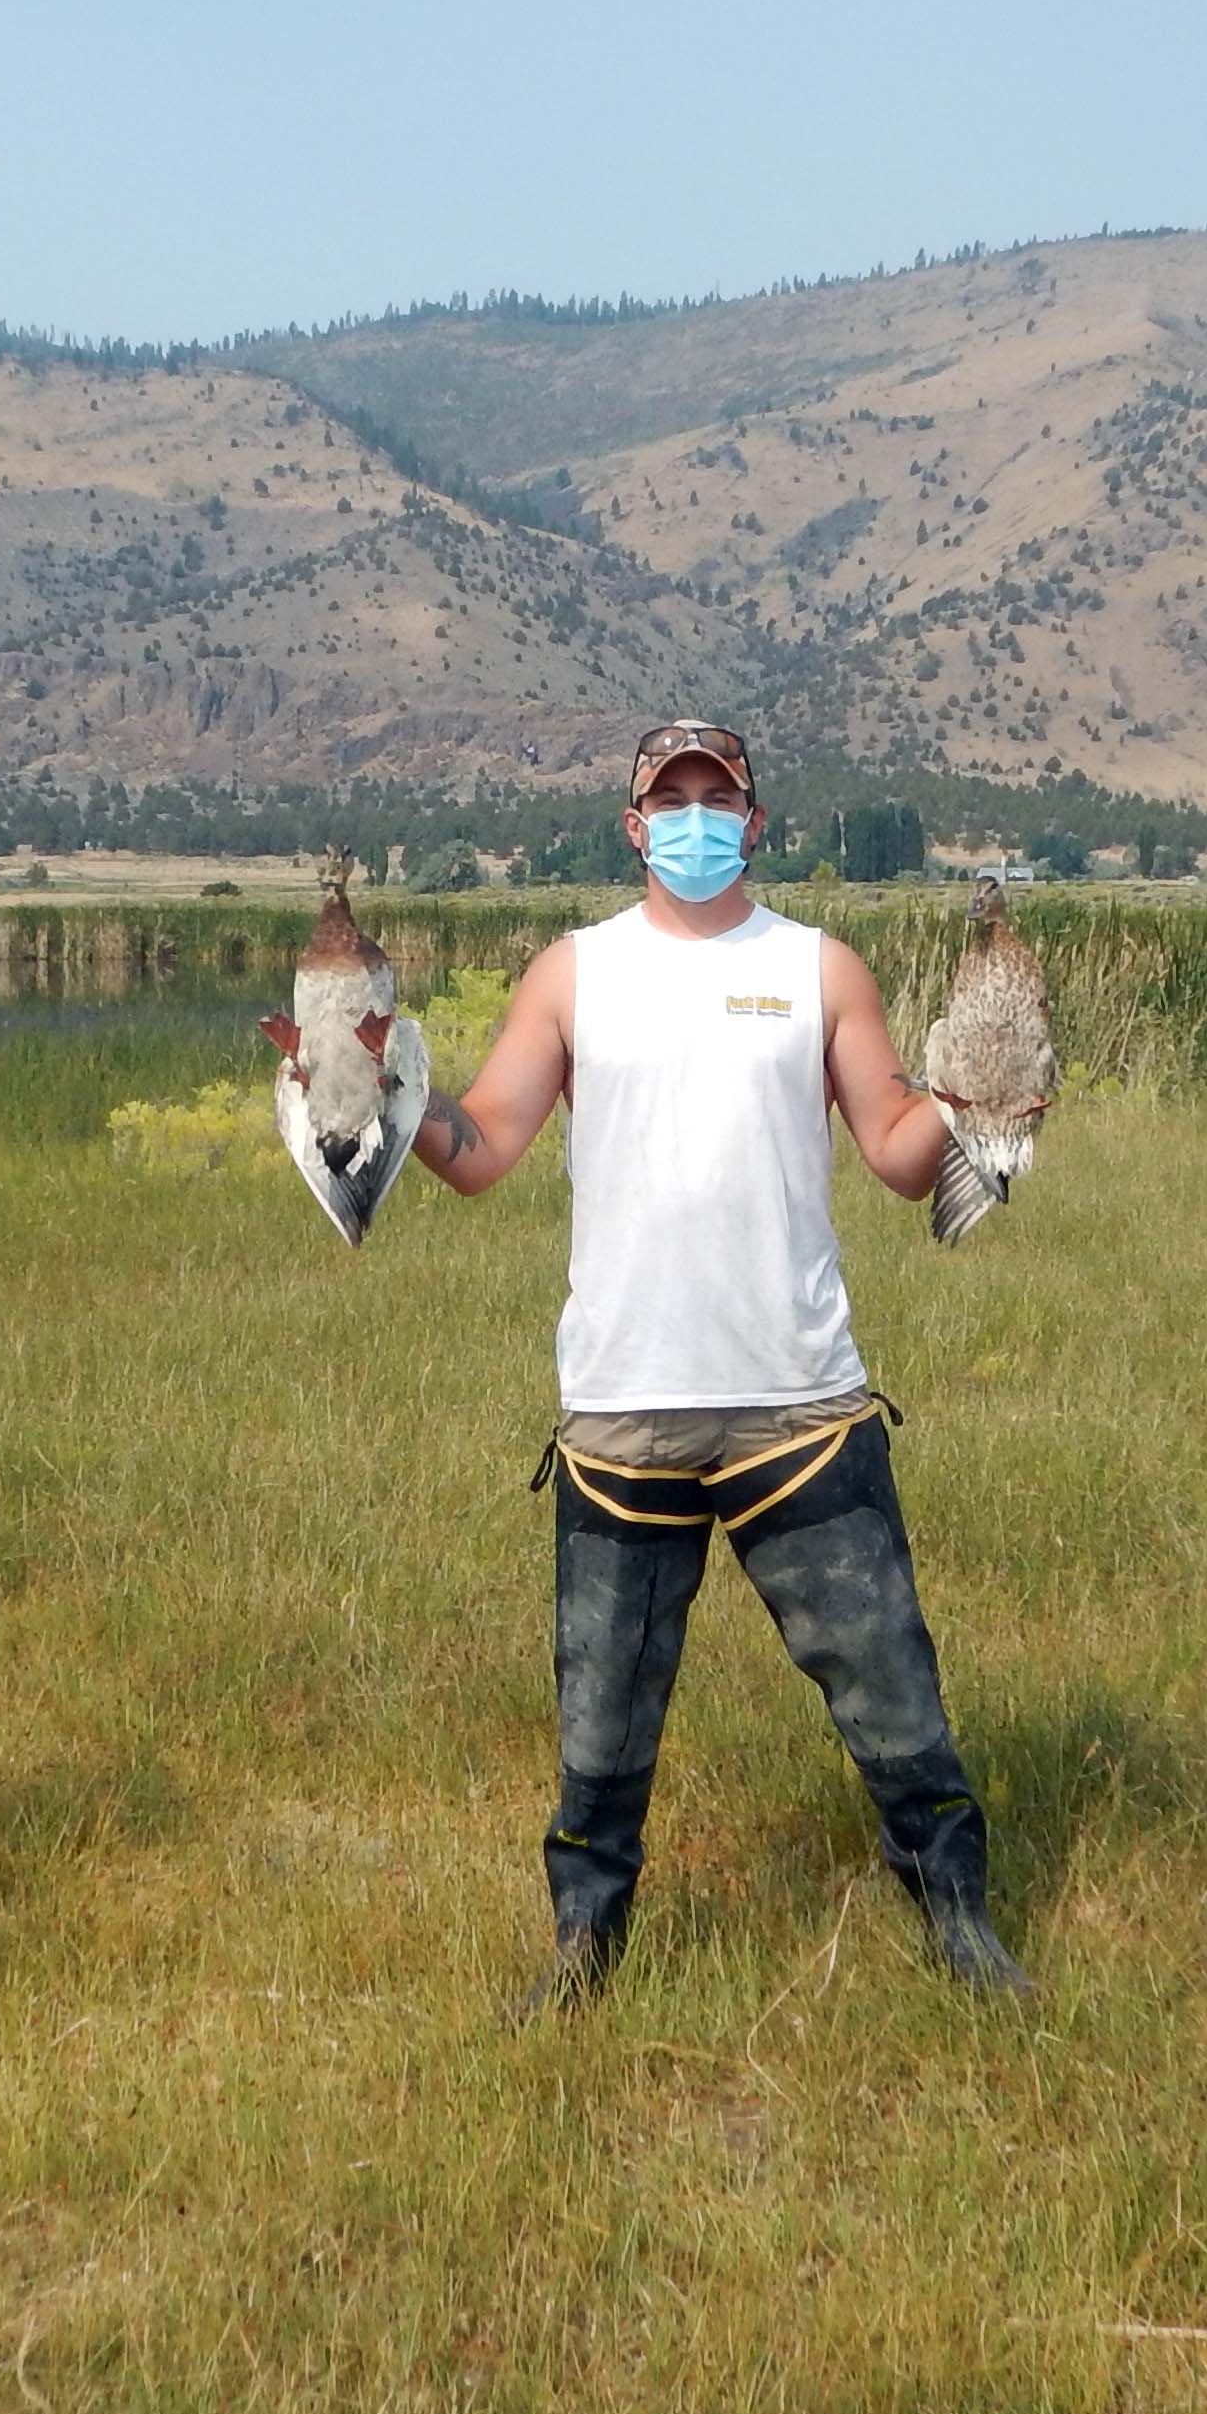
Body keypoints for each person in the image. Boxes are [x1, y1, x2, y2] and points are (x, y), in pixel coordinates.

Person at [405, 717, 1031, 2014]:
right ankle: (584, 1948)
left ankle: (960, 1922)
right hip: (623, 1404)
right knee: (600, 1721)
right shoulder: (573, 974)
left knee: (892, 1692)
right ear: (633, 826)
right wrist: (380, 1093)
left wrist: (991, 1094)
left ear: (754, 821)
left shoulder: (820, 969)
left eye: (718, 796)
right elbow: (485, 1148)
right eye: (668, 799)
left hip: (798, 1397)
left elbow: (900, 1154)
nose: (694, 817)